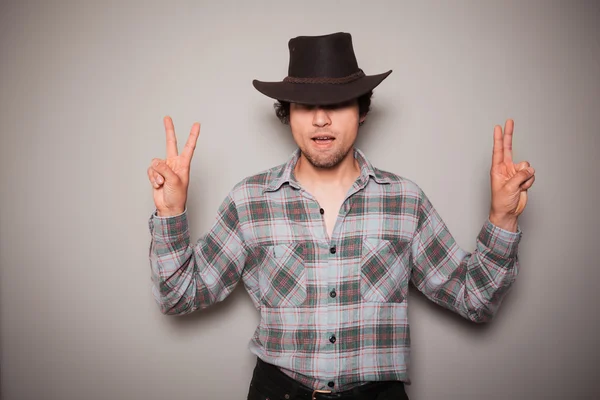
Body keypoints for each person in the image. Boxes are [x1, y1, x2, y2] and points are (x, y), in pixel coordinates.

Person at [146, 32, 536, 400]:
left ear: (362, 110)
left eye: (336, 104)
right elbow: (179, 297)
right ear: (288, 113)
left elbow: (475, 300)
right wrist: (170, 213)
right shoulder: (250, 201)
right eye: (305, 106)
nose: (320, 120)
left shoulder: (405, 200)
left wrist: (501, 218)